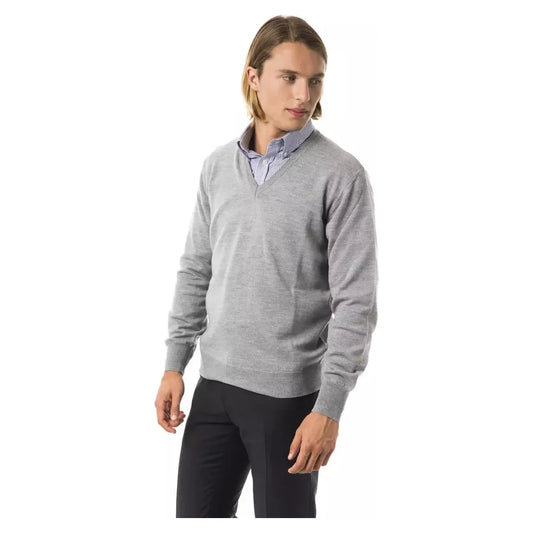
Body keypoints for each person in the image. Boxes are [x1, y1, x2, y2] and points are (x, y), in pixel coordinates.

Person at [154, 14, 379, 518]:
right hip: (214, 388)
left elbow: (357, 304)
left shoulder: (341, 175)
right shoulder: (217, 166)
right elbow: (196, 269)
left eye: (315, 80)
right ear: (253, 77)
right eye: (290, 77)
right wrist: (174, 363)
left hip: (288, 398)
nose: (304, 94)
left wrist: (329, 408)